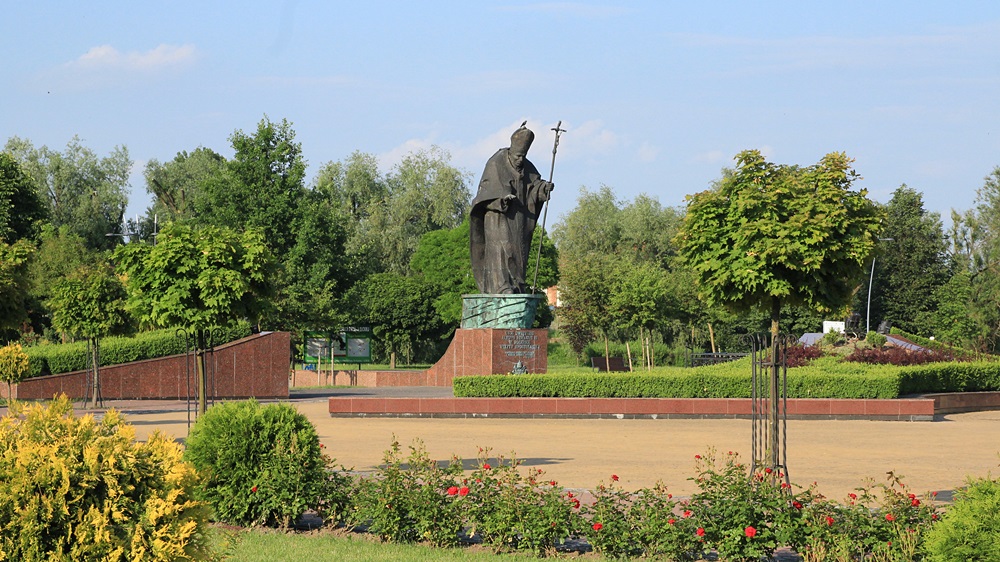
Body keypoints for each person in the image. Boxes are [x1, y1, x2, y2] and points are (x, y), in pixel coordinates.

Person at [469, 123, 554, 294]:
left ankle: (517, 285)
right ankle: (501, 287)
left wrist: (543, 188)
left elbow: (533, 186)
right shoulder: (495, 163)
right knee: (501, 250)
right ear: (510, 151)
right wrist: (499, 201)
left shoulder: (526, 166)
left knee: (518, 251)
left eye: (523, 156)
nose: (520, 160)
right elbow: (483, 196)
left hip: (518, 220)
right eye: (517, 156)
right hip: (497, 218)